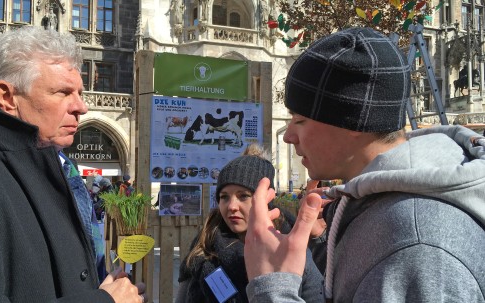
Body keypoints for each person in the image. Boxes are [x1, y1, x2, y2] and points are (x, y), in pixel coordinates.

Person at [244, 27, 485, 302]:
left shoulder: (416, 243)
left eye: (300, 120)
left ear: (353, 119)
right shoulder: (377, 208)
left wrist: (273, 287)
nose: (288, 136)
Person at [0, 26, 143, 302]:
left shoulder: (60, 173)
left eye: (79, 93)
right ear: (6, 96)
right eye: (63, 92)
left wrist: (104, 289)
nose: (81, 107)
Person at [176, 144, 324, 303]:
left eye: (243, 196)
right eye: (224, 197)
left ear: (266, 200)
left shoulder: (291, 248)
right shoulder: (202, 250)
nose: (232, 206)